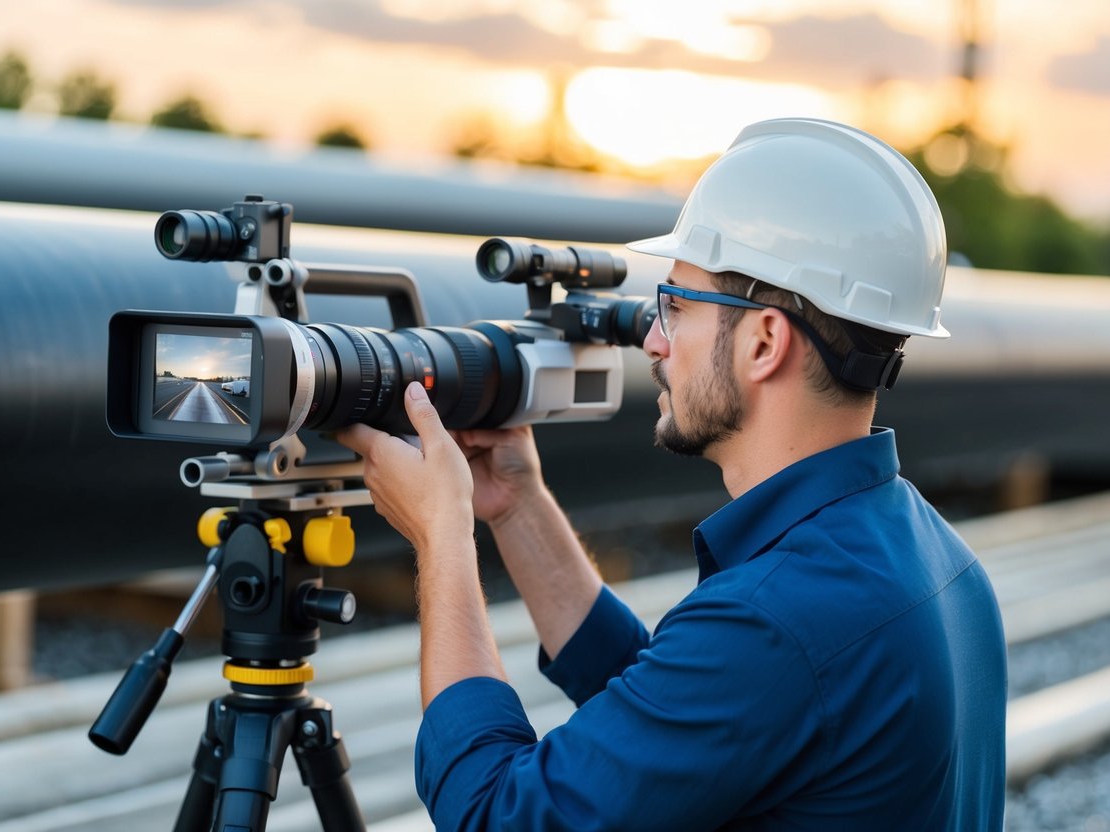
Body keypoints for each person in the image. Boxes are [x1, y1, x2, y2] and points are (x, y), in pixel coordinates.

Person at [336, 118, 1007, 830]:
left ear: (763, 342)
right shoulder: (937, 562)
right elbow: (677, 715)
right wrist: (516, 506)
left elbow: (494, 816)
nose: (653, 341)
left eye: (677, 307)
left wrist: (443, 539)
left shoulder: (777, 620)